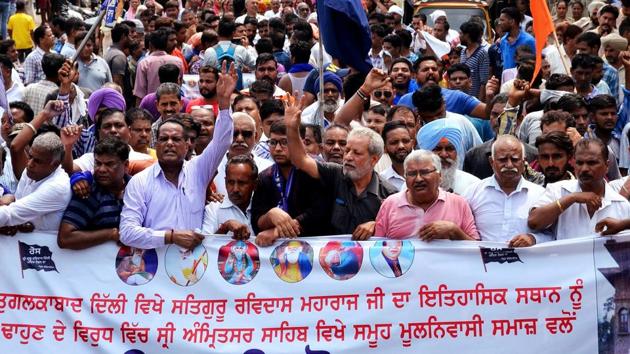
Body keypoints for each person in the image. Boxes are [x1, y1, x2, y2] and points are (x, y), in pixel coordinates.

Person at [119, 63, 237, 250]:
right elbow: (127, 232)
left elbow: (221, 142)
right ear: (156, 145)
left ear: (187, 144)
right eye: (164, 139)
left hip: (194, 269)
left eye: (176, 139)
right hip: (155, 271)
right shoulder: (140, 182)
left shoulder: (199, 170)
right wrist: (170, 237)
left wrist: (224, 104)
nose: (170, 143)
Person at [286, 97, 396, 239]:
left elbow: (401, 230)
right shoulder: (335, 174)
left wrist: (377, 224)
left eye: (356, 153)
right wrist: (291, 128)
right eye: (348, 150)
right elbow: (300, 159)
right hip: (331, 257)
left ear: (374, 159)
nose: (348, 157)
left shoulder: (389, 195)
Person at [529, 138, 630, 239]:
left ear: (607, 166)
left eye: (592, 163)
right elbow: (534, 222)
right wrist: (572, 198)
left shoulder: (622, 205)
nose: (584, 169)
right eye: (579, 163)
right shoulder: (558, 190)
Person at [252, 121, 329, 245]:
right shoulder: (265, 177)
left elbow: (319, 213)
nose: (277, 149)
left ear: (300, 143)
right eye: (273, 142)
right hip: (276, 253)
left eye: (284, 142)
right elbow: (256, 221)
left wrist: (278, 231)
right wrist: (270, 216)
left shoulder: (314, 171)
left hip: (314, 249)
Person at [375, 150, 479, 240]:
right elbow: (376, 248)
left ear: (439, 176)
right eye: (412, 174)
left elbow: (477, 250)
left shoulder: (458, 203)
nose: (419, 179)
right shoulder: (390, 204)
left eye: (425, 172)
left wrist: (454, 231)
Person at [463, 135, 545, 246]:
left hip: (528, 262)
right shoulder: (473, 193)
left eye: (515, 159)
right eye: (502, 160)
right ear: (492, 162)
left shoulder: (540, 195)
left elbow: (554, 234)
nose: (509, 165)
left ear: (524, 161)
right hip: (481, 262)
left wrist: (533, 239)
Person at [4, 104, 71, 232]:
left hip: (51, 250)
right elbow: (17, 210)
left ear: (55, 164)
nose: (30, 163)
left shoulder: (58, 187)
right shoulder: (30, 172)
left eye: (38, 161)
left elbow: (12, 214)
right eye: (30, 157)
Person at [58, 138, 129, 250]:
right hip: (93, 265)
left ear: (126, 165)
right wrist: (111, 234)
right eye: (98, 163)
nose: (101, 169)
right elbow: (65, 238)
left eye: (109, 164)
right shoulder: (87, 190)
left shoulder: (138, 187)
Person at [417, 119, 481, 194]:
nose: (444, 154)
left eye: (450, 149)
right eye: (437, 149)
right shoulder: (415, 184)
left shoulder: (473, 185)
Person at [202, 155, 257, 239]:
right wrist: (224, 228)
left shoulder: (263, 208)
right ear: (225, 181)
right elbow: (205, 246)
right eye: (231, 182)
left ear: (254, 184)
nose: (235, 189)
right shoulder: (213, 210)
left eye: (241, 183)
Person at [134, 28, 184, 103]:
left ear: (150, 44)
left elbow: (140, 93)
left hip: (150, 105)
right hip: (174, 103)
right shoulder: (177, 61)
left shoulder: (144, 63)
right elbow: (179, 85)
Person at [380, 121, 414, 191]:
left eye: (405, 141)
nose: (401, 146)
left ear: (412, 143)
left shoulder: (426, 173)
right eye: (394, 142)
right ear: (384, 148)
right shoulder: (382, 180)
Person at [459, 20, 489, 99]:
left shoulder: (482, 54)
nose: (459, 36)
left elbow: (484, 82)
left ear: (467, 36)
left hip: (474, 100)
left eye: (461, 33)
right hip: (463, 98)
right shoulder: (463, 52)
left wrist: (479, 102)